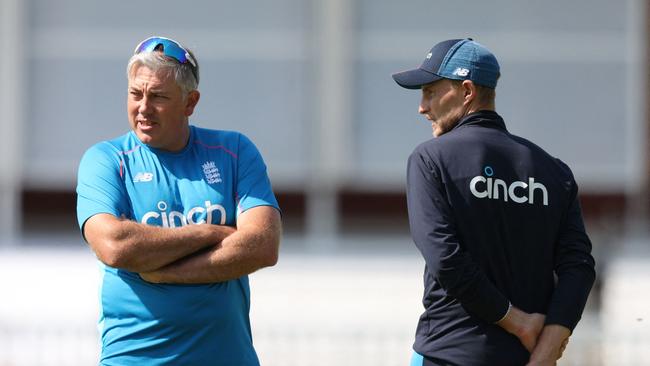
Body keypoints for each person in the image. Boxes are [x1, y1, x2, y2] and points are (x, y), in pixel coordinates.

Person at [76, 36, 282, 365]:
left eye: (158, 97)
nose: (143, 108)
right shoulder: (106, 159)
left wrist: (164, 271)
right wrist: (211, 233)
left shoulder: (235, 151)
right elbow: (115, 245)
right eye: (135, 94)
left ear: (190, 103)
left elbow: (262, 245)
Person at [392, 38, 595, 366]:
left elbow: (445, 258)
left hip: (449, 354)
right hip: (526, 358)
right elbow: (579, 268)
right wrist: (546, 351)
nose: (422, 106)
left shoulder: (431, 158)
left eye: (430, 91)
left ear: (467, 91)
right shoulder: (554, 171)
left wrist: (518, 322)